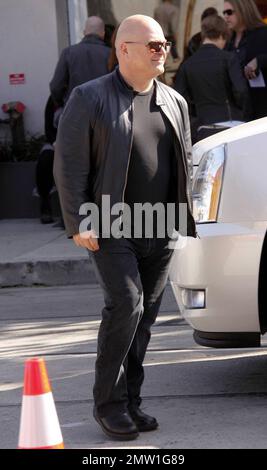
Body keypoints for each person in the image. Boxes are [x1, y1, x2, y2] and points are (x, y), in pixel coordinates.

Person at [54, 14, 196, 441]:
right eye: (153, 45)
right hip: (111, 224)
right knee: (126, 306)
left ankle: (131, 401)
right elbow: (70, 165)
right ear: (124, 49)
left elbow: (182, 162)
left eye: (165, 45)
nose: (162, 52)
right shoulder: (89, 97)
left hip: (161, 226)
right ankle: (109, 404)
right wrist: (79, 219)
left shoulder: (175, 101)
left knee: (145, 318)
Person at [174, 15, 250, 141]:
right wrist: (243, 112)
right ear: (222, 35)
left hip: (203, 127)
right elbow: (241, 90)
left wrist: (194, 121)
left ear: (203, 35)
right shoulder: (229, 58)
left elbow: (179, 99)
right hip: (232, 123)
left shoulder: (187, 65)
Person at [50, 16, 110, 106]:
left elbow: (56, 87)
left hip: (75, 111)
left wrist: (63, 104)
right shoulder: (111, 54)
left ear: (84, 32)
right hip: (104, 111)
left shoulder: (68, 53)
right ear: (103, 34)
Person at [224, 0, 267, 119]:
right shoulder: (229, 42)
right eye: (224, 13)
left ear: (243, 10)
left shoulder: (262, 33)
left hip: (261, 106)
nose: (225, 16)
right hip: (236, 110)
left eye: (229, 12)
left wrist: (259, 60)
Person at [36, 96, 57, 224]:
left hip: (78, 144)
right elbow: (48, 127)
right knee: (45, 160)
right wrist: (55, 142)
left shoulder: (84, 94)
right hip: (55, 143)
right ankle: (45, 205)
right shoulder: (53, 100)